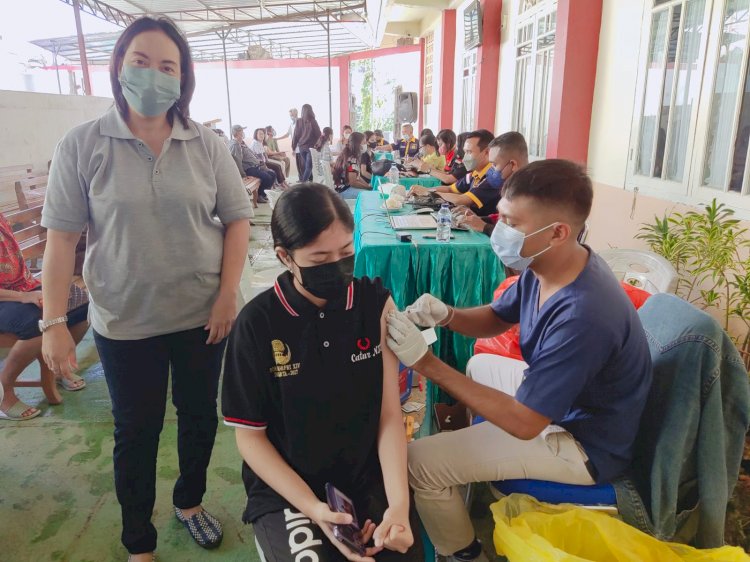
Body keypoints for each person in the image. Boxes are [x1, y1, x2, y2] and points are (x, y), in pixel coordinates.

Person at [40, 17, 254, 561]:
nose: (154, 75)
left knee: (200, 416)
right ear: (118, 66)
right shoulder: (83, 144)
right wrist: (53, 323)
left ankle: (189, 500)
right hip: (125, 322)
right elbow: (61, 241)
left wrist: (229, 292)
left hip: (203, 316)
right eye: (141, 61)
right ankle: (139, 540)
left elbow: (236, 220)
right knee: (136, 433)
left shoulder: (206, 144)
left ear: (183, 79)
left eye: (168, 66)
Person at [385, 159, 652, 562]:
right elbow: (497, 317)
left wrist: (425, 362)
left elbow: (526, 423)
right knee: (478, 366)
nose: (500, 230)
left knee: (420, 463)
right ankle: (471, 471)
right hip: (567, 406)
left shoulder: (584, 314)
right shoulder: (547, 263)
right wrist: (448, 314)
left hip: (586, 443)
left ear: (558, 231)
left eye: (511, 222)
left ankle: (464, 553)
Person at [222, 183, 422, 562]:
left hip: (365, 476)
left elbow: (388, 416)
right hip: (288, 487)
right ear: (285, 256)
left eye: (346, 253)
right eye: (318, 259)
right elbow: (251, 439)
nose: (337, 266)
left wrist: (398, 506)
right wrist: (314, 509)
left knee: (401, 552)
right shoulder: (257, 324)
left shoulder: (374, 305)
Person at [0, 213, 89, 420]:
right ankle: (5, 390)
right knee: (41, 323)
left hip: (21, 287)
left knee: (81, 304)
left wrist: (33, 290)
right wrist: (23, 297)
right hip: (9, 296)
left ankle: (58, 366)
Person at [456, 132, 530, 236]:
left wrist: (484, 226)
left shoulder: (530, 191)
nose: (491, 170)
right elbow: (505, 218)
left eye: (494, 164)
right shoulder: (513, 185)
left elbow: (519, 236)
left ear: (512, 164)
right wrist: (479, 219)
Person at [411, 130, 498, 217]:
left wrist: (428, 192)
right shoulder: (474, 174)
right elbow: (450, 189)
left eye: (469, 152)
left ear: (487, 152)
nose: (464, 158)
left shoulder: (492, 178)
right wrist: (426, 189)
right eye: (465, 152)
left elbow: (462, 200)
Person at [230, 124, 275, 204]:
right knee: (267, 177)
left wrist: (260, 163)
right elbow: (237, 161)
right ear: (237, 133)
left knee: (272, 174)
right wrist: (243, 175)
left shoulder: (242, 143)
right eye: (241, 131)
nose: (243, 133)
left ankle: (263, 195)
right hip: (248, 169)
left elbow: (251, 154)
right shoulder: (235, 145)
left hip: (256, 166)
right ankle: (259, 196)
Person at [334, 132, 371, 199]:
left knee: (369, 192)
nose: (366, 144)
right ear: (357, 144)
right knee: (368, 196)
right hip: (344, 190)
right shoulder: (352, 159)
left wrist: (368, 186)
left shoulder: (349, 155)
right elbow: (353, 182)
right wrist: (367, 187)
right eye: (364, 143)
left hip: (342, 188)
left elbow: (357, 177)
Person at [292, 104, 322, 183]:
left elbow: (295, 135)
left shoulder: (298, 121)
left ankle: (308, 182)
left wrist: (293, 147)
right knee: (309, 167)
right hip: (310, 148)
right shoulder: (313, 121)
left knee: (307, 166)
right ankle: (303, 184)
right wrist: (319, 146)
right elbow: (319, 134)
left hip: (301, 148)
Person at [277, 108, 303, 181]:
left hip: (301, 146)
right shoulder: (292, 123)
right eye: (290, 115)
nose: (291, 116)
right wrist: (277, 138)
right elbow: (287, 134)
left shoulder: (300, 121)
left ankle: (305, 179)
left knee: (302, 163)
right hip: (295, 146)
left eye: (292, 115)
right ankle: (301, 178)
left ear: (296, 113)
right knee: (298, 163)